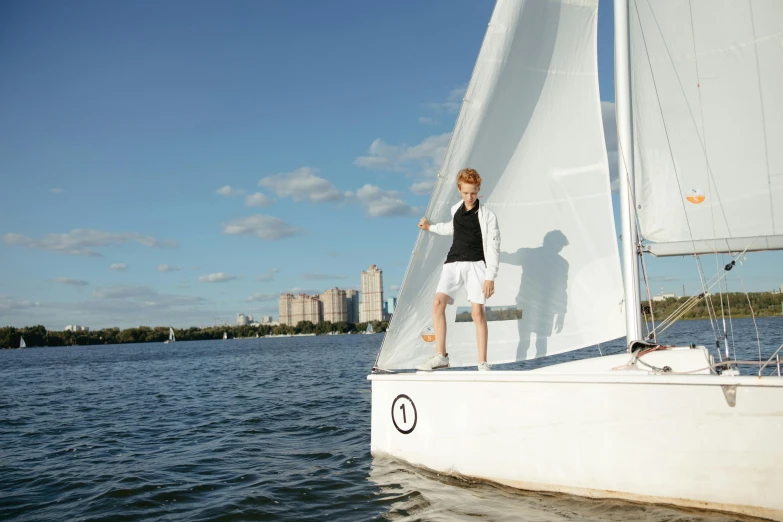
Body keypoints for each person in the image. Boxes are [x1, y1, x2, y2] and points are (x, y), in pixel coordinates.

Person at [416, 168, 500, 371]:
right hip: (452, 263)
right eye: (465, 193)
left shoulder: (488, 215)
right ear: (459, 191)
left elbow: (493, 247)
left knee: (477, 313)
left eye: (473, 192)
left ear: (478, 190)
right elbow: (450, 228)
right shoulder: (456, 210)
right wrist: (430, 227)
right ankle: (441, 356)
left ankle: (482, 363)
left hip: (476, 265)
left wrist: (490, 277)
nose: (469, 197)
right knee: (437, 303)